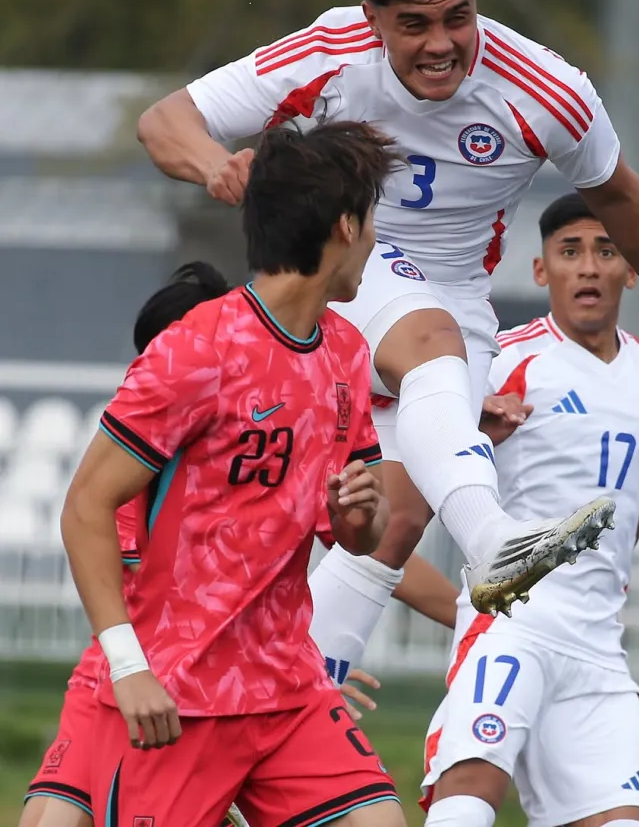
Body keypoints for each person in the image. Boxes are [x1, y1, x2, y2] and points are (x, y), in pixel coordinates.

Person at [136, 0, 639, 676]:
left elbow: (618, 195)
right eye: (414, 25)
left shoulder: (546, 90)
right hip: (342, 267)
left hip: (455, 293)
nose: (442, 44)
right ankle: (493, 542)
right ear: (372, 17)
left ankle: (292, 697)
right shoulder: (330, 51)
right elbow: (164, 121)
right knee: (431, 343)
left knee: (398, 518)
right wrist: (215, 163)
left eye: (459, 17)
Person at [60, 122, 408, 827]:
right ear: (345, 226)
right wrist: (128, 668)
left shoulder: (346, 352)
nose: (376, 242)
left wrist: (358, 512)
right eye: (373, 222)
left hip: (288, 690)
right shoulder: (198, 348)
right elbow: (85, 507)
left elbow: (359, 536)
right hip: (177, 694)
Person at [23, 260, 455, 827]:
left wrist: (301, 673)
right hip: (139, 682)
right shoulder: (132, 475)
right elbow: (138, 586)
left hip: (261, 688)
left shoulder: (286, 410)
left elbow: (354, 541)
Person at [421, 193, 639, 827]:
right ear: (542, 270)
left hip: (599, 644)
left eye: (606, 250)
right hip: (511, 622)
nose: (589, 267)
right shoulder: (503, 363)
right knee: (467, 799)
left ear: (629, 268)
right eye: (570, 252)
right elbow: (432, 456)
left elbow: (634, 508)